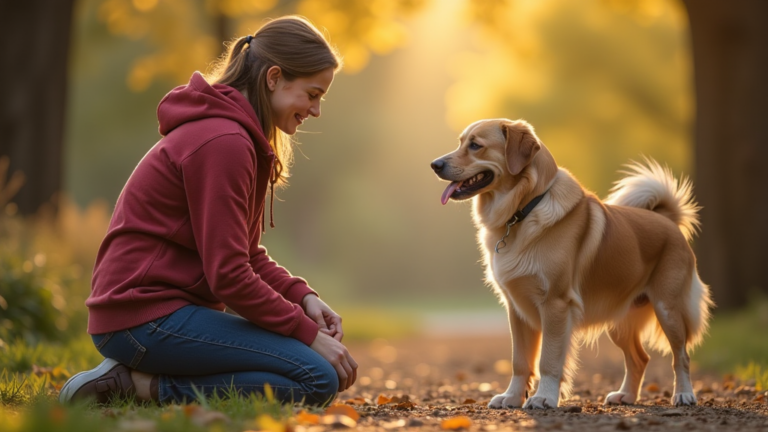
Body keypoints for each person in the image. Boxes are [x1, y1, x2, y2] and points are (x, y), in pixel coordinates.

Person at [59, 15, 357, 407]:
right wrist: (307, 334)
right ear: (273, 78)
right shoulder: (224, 142)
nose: (316, 110)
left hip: (165, 313)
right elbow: (229, 276)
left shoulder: (236, 136)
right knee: (316, 377)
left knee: (317, 370)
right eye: (312, 94)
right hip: (141, 317)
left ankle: (143, 377)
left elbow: (245, 256)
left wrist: (303, 298)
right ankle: (135, 384)